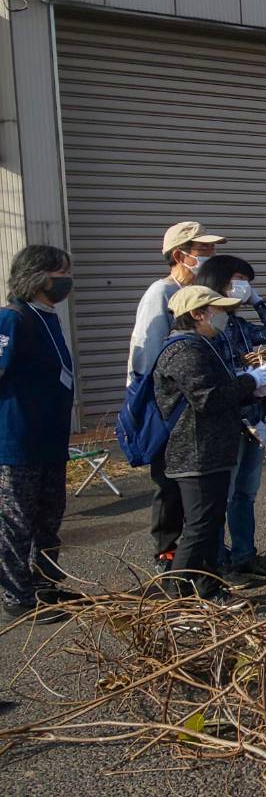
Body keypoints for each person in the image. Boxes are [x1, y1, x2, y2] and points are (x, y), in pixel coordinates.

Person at [154, 286, 266, 608]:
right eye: (217, 310)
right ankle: (173, 595)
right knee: (200, 527)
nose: (224, 315)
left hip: (211, 450)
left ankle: (208, 589)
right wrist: (250, 381)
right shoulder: (185, 350)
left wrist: (253, 392)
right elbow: (207, 398)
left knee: (208, 526)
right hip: (196, 453)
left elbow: (221, 393)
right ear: (198, 314)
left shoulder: (202, 346)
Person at [128, 221, 225, 571]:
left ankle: (204, 557)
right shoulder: (161, 293)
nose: (209, 257)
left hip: (202, 411)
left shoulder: (205, 297)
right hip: (171, 408)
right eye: (202, 252)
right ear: (179, 255)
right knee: (170, 483)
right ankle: (169, 554)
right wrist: (158, 406)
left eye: (212, 251)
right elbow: (147, 356)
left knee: (202, 496)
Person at [192, 256, 266, 583]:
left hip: (255, 417)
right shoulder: (207, 327)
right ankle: (219, 563)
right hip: (228, 421)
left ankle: (245, 555)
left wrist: (259, 301)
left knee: (246, 492)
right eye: (237, 278)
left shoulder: (239, 324)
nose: (243, 285)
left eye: (247, 280)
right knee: (223, 493)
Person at [0, 245, 78, 624]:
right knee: (17, 522)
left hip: (50, 440)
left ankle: (44, 585)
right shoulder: (13, 319)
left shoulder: (48, 317)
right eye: (61, 273)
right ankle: (16, 596)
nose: (67, 280)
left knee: (49, 518)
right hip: (17, 442)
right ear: (39, 276)